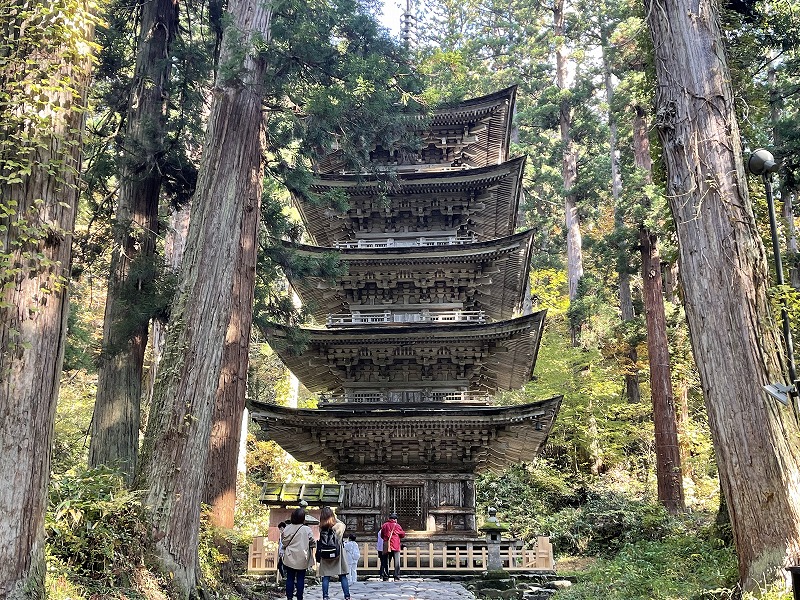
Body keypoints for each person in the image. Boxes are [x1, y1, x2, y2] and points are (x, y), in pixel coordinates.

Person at [317, 506, 351, 600]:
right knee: (343, 575)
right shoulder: (338, 526)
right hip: (338, 552)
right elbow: (343, 524)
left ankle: (325, 596)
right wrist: (334, 517)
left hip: (325, 553)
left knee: (326, 576)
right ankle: (347, 596)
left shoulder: (321, 528)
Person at [281, 508, 315, 600]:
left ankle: (289, 597)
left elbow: (284, 542)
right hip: (302, 557)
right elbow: (312, 542)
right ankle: (300, 597)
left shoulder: (287, 528)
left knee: (290, 578)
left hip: (289, 556)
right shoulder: (306, 529)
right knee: (300, 578)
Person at [380, 513, 405, 581]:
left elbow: (382, 535)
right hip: (395, 545)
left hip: (387, 545)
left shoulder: (384, 525)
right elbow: (402, 534)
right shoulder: (397, 526)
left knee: (386, 561)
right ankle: (396, 576)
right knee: (397, 562)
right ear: (395, 519)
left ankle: (386, 576)